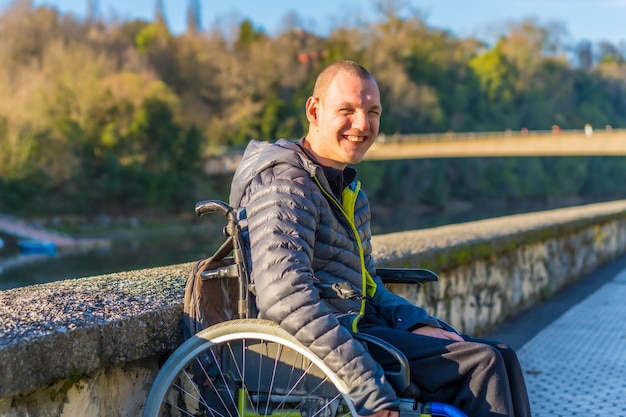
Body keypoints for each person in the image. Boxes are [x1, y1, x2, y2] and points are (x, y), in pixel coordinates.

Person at [228, 60, 532, 417]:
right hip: (309, 348)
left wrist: (418, 323)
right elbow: (285, 299)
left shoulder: (347, 189)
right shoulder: (285, 186)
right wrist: (366, 386)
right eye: (347, 110)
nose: (362, 124)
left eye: (373, 112)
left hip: (356, 326)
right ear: (314, 110)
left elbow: (369, 284)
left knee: (503, 357)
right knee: (482, 365)